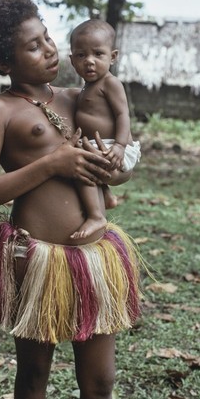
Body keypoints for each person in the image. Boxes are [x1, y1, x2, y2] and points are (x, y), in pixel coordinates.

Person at [0, 0, 143, 399]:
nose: (49, 49)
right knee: (33, 377)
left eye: (47, 38)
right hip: (36, 257)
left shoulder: (79, 95)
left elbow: (116, 169)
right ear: (6, 63)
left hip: (94, 256)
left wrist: (117, 164)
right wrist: (51, 164)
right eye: (33, 45)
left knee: (100, 382)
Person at [69, 19, 141, 239]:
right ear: (72, 60)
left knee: (81, 170)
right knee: (79, 159)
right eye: (81, 55)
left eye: (98, 54)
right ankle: (107, 196)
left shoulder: (111, 83)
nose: (89, 61)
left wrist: (119, 146)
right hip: (103, 147)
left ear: (113, 56)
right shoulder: (85, 88)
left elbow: (122, 114)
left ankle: (96, 215)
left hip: (115, 147)